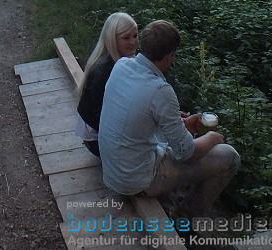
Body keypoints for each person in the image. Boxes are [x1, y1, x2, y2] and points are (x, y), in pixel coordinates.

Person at [98, 19, 240, 218]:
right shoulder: (160, 90)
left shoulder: (121, 65)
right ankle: (185, 218)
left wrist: (179, 124)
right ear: (170, 55)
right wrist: (213, 138)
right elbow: (187, 154)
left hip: (113, 170)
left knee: (176, 142)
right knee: (229, 156)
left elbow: (137, 122)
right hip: (136, 179)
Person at [75, 12, 138, 157]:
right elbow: (90, 114)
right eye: (126, 38)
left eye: (135, 36)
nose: (133, 42)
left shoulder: (120, 60)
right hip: (97, 141)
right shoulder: (104, 70)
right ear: (112, 40)